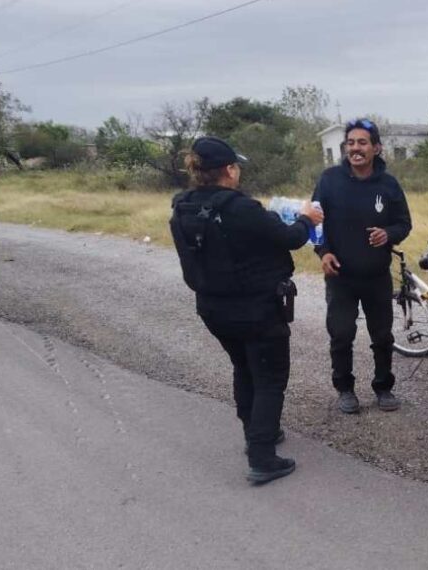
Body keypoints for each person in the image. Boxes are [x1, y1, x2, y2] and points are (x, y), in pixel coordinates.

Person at [169, 136, 323, 485]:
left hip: (213, 308)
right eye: (235, 165)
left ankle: (256, 431)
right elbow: (290, 239)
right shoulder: (241, 208)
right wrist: (307, 218)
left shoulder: (183, 206)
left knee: (244, 368)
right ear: (229, 170)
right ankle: (262, 456)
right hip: (256, 308)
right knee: (269, 378)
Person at [311, 118, 412, 414]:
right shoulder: (329, 180)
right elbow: (314, 223)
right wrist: (323, 252)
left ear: (376, 148)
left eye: (362, 143)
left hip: (377, 276)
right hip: (340, 276)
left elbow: (404, 223)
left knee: (382, 336)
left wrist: (389, 234)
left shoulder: (389, 184)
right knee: (341, 335)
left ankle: (384, 388)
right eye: (350, 143)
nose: (355, 149)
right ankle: (345, 389)